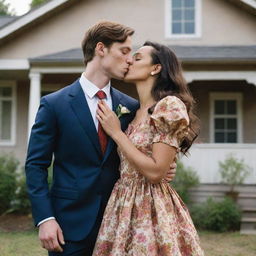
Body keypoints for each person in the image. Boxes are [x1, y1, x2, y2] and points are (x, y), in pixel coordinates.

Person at [25, 21, 176, 256]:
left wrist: (166, 166)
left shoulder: (131, 106)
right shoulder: (54, 105)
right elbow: (36, 165)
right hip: (68, 226)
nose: (129, 59)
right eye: (124, 51)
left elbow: (147, 151)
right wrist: (45, 218)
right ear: (101, 49)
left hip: (122, 223)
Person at [92, 41, 204, 255]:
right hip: (122, 205)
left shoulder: (168, 106)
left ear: (156, 68)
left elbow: (155, 172)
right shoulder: (133, 111)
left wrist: (116, 133)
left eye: (138, 57)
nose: (129, 61)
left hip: (151, 206)